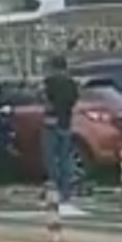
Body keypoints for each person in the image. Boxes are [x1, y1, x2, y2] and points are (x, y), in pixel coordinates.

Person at [41, 55, 79, 203]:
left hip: (51, 122)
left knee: (50, 158)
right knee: (65, 158)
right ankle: (66, 192)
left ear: (54, 67)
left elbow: (45, 101)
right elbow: (74, 100)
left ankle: (54, 187)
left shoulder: (49, 82)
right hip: (66, 123)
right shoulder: (71, 84)